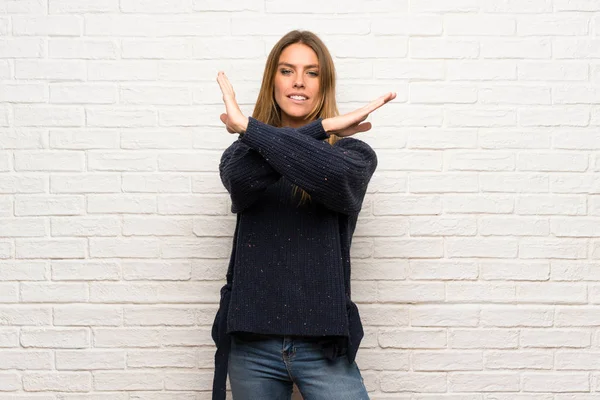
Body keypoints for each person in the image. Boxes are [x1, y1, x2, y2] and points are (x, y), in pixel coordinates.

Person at [211, 30, 396, 400]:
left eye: (311, 72)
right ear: (273, 81)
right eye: (287, 71)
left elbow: (332, 176)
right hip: (252, 343)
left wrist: (250, 127)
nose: (298, 81)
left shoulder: (353, 155)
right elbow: (244, 181)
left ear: (323, 84)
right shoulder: (241, 156)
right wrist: (322, 126)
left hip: (324, 347)